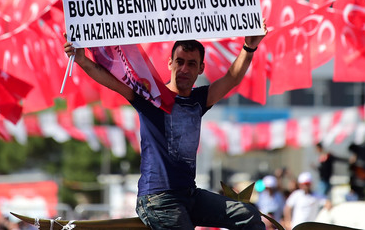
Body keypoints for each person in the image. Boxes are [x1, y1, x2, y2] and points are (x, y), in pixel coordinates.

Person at [63, 27, 268, 230]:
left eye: (191, 64)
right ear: (170, 63)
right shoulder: (151, 96)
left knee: (248, 215)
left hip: (190, 195)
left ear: (201, 69)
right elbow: (112, 81)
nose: (184, 69)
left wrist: (249, 47)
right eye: (179, 62)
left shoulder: (199, 99)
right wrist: (82, 60)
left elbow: (232, 78)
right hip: (158, 199)